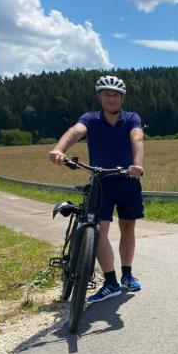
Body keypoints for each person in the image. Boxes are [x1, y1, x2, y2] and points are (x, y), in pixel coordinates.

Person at [48, 75, 146, 302]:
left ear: (122, 98)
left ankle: (127, 275)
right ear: (99, 97)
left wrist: (138, 164)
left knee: (128, 227)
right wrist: (59, 149)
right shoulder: (90, 118)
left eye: (115, 95)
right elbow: (76, 130)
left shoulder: (132, 118)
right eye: (106, 94)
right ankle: (111, 282)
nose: (111, 98)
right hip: (101, 182)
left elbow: (137, 139)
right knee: (99, 231)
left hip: (127, 179)